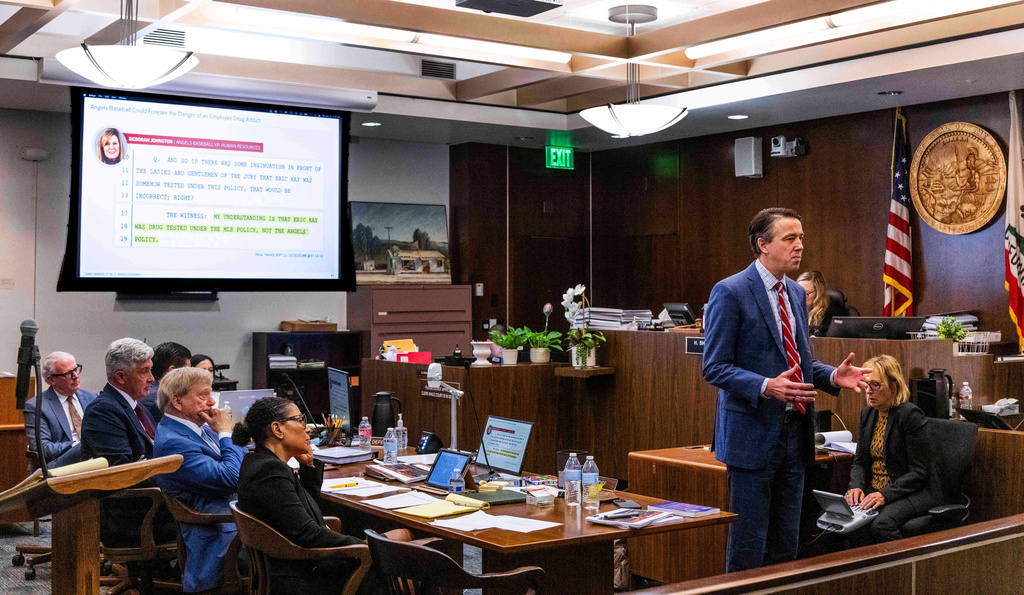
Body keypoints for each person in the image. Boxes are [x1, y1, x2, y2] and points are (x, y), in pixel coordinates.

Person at [702, 207, 871, 572]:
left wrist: (830, 377)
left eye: (802, 238)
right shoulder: (730, 291)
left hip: (795, 436)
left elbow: (797, 361)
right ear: (763, 245)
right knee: (748, 545)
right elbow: (714, 367)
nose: (800, 247)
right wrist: (765, 386)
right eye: (790, 238)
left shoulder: (795, 292)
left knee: (785, 546)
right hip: (751, 435)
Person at [234, 397, 409, 593]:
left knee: (402, 537)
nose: (307, 428)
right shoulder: (269, 472)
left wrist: (307, 467)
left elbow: (302, 515)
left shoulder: (259, 462)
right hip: (301, 575)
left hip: (294, 564)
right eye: (300, 420)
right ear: (278, 429)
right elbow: (307, 534)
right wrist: (361, 547)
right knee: (404, 559)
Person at [153, 367, 247, 593]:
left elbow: (238, 460)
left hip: (233, 518)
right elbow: (231, 477)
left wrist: (226, 435)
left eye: (211, 394)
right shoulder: (174, 442)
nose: (211, 403)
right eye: (203, 395)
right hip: (220, 534)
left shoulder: (200, 428)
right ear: (177, 401)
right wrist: (227, 433)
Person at [81, 338, 173, 547]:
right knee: (213, 516)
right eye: (144, 371)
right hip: (130, 514)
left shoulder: (136, 407)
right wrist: (177, 479)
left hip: (154, 502)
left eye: (151, 370)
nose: (151, 378)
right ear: (121, 377)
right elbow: (120, 473)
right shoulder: (104, 410)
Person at [845, 355, 934, 542]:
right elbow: (860, 461)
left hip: (910, 491)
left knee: (881, 525)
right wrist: (855, 488)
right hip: (875, 489)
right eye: (866, 384)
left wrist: (885, 495)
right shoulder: (868, 413)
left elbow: (919, 472)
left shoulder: (910, 415)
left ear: (893, 386)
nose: (869, 391)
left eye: (875, 385)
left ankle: (902, 569)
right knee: (841, 518)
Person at [23, 351, 97, 468]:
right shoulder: (37, 406)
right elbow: (43, 448)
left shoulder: (92, 397)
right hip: (61, 465)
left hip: (96, 460)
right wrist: (78, 445)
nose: (76, 376)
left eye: (76, 369)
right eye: (68, 373)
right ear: (52, 380)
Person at [142, 341, 192, 424]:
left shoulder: (146, 390)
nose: (190, 375)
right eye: (187, 370)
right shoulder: (164, 398)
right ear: (172, 370)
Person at [796, 270, 845, 336]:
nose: (801, 297)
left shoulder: (832, 313)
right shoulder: (791, 311)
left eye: (806, 293)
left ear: (818, 293)